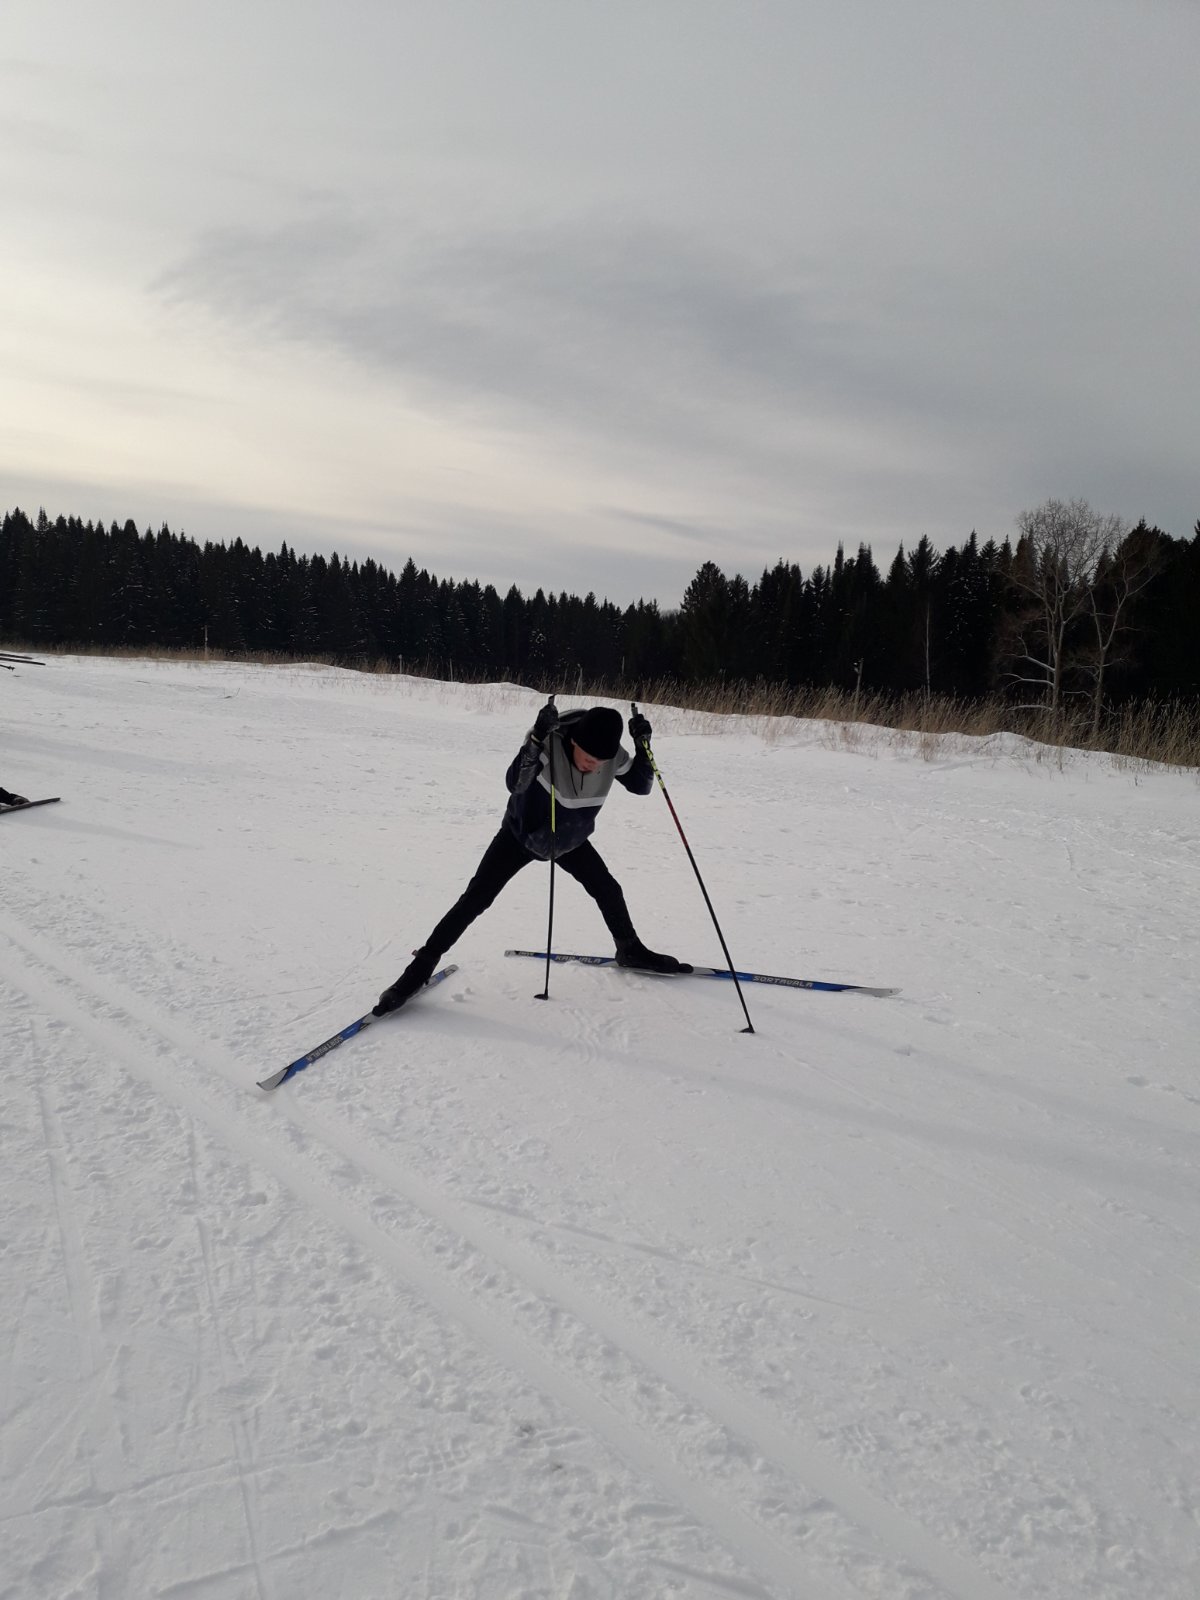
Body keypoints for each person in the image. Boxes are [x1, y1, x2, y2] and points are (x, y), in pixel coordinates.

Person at [374, 701, 691, 1015]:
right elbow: (514, 783)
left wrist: (643, 746)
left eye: (600, 761)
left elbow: (640, 786)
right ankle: (420, 968)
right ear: (574, 741)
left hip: (569, 839)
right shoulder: (547, 746)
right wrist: (536, 739)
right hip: (520, 837)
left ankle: (630, 949)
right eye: (588, 758)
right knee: (475, 899)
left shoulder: (608, 755)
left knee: (608, 889)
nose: (593, 765)